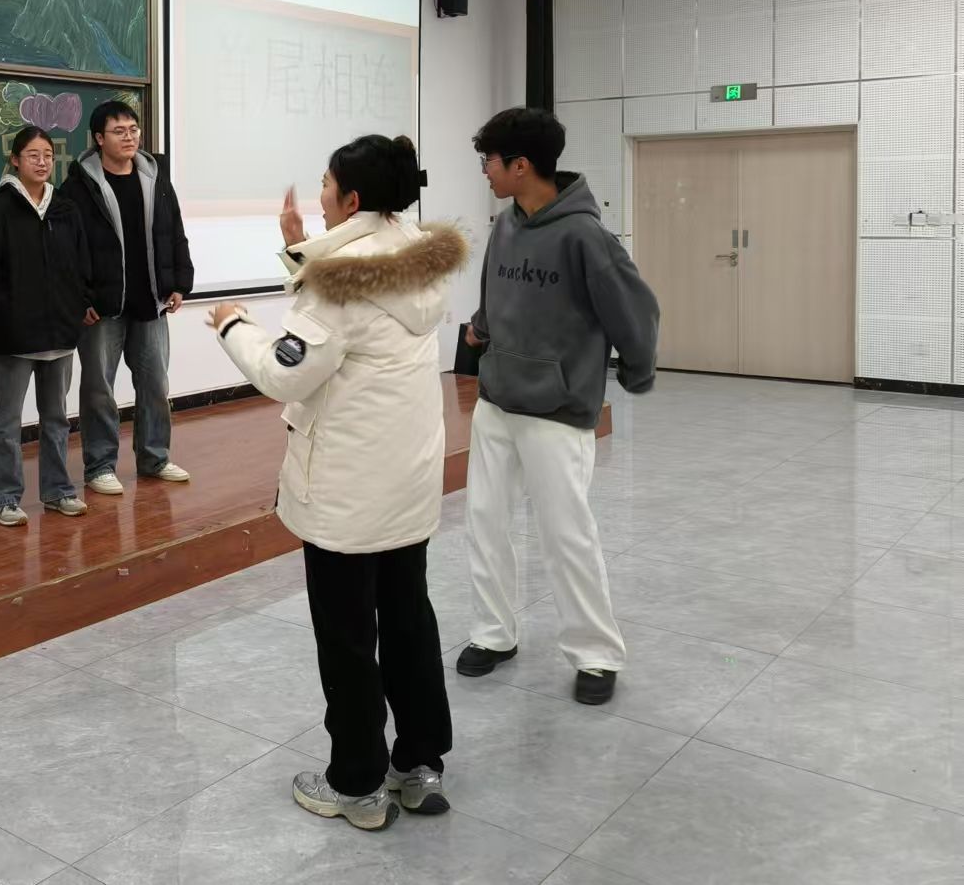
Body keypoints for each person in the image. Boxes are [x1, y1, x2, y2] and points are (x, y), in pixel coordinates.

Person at [209, 135, 468, 832]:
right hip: (408, 481)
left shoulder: (338, 283)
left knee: (348, 638)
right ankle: (419, 765)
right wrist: (300, 249)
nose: (319, 193)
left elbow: (286, 371)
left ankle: (356, 784)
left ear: (351, 200)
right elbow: (356, 308)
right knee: (409, 622)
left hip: (347, 493)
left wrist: (233, 325)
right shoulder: (419, 255)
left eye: (326, 184)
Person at [458, 107, 659, 706]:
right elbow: (494, 295)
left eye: (490, 161)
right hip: (497, 400)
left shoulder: (585, 237)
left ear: (521, 165)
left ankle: (596, 655)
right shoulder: (504, 225)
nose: (485, 171)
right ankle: (493, 633)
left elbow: (637, 312)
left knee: (566, 533)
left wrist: (637, 371)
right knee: (484, 521)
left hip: (558, 411)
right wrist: (480, 331)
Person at [60, 101, 194, 493]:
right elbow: (67, 250)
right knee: (98, 388)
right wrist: (79, 298)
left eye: (133, 129)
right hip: (102, 306)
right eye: (119, 131)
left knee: (155, 385)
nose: (129, 137)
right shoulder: (79, 187)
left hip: (150, 299)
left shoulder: (155, 178)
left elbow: (174, 231)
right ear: (99, 138)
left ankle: (155, 458)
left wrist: (180, 281)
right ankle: (100, 466)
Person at [0, 126, 94, 526]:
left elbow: (82, 265)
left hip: (60, 334)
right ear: (15, 160)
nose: (42, 163)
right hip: (15, 337)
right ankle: (2, 497)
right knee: (7, 422)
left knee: (56, 419)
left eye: (48, 156)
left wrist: (77, 306)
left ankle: (58, 490)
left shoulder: (66, 209)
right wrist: (6, 313)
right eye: (33, 155)